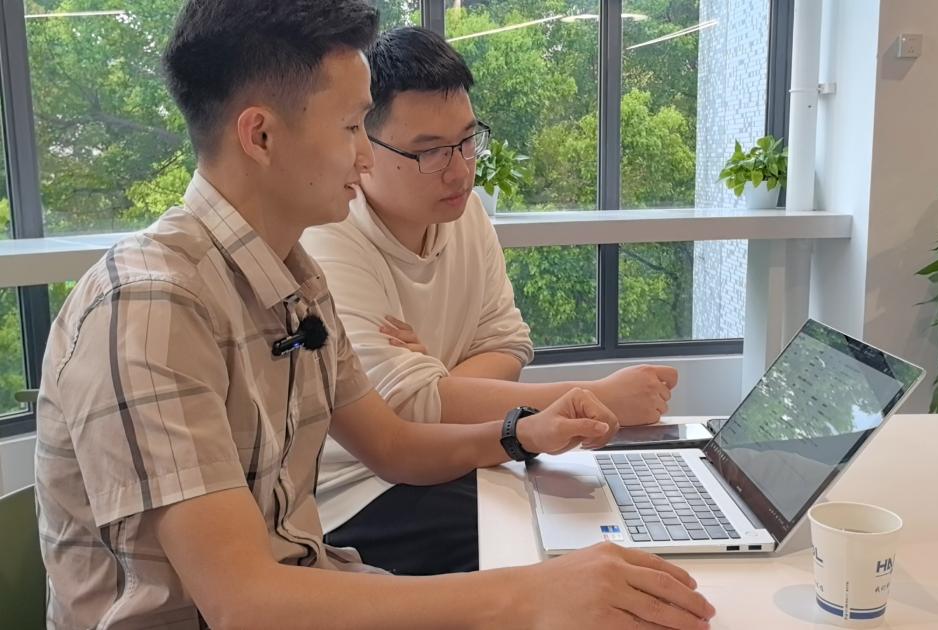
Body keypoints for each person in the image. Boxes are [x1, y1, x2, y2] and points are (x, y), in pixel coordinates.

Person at [34, 2, 715, 629]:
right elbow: (244, 602)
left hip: (316, 582)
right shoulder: (150, 306)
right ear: (260, 135)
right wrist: (530, 593)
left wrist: (524, 433)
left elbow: (395, 447)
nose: (365, 157)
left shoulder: (295, 279)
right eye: (352, 127)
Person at [302, 26, 679, 576]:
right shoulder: (329, 238)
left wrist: (437, 383)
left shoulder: (463, 211)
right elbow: (400, 419)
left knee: (589, 511)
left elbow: (507, 343)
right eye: (429, 151)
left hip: (459, 454)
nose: (459, 170)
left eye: (466, 140)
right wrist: (597, 397)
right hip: (358, 493)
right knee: (554, 548)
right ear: (364, 146)